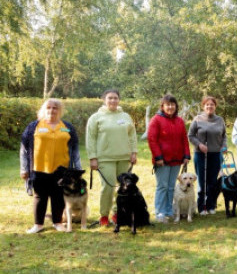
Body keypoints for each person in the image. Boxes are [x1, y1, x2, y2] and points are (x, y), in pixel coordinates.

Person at [20, 99, 81, 233]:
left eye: (55, 108)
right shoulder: (33, 126)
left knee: (58, 196)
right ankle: (38, 224)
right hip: (39, 167)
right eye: (49, 107)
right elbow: (24, 148)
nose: (52, 110)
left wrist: (77, 167)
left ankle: (58, 222)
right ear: (43, 109)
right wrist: (24, 168)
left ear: (59, 110)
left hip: (62, 170)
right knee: (39, 196)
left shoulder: (67, 127)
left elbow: (75, 148)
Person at [86, 90, 138, 226]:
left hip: (124, 157)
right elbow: (90, 138)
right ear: (104, 99)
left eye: (115, 98)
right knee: (107, 188)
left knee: (124, 187)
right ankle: (104, 216)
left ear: (119, 100)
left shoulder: (125, 116)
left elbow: (132, 136)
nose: (113, 101)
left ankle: (117, 213)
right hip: (105, 158)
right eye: (110, 98)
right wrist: (92, 158)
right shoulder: (96, 117)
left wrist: (134, 152)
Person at [147, 95, 190, 223]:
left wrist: (186, 155)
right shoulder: (156, 120)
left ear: (176, 106)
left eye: (172, 104)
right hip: (162, 161)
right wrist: (158, 157)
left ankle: (169, 210)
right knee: (162, 186)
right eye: (167, 104)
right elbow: (152, 140)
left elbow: (184, 139)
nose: (170, 107)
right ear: (163, 106)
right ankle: (159, 212)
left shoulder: (179, 121)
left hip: (176, 160)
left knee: (171, 186)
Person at [188, 96, 228, 215]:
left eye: (212, 104)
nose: (209, 106)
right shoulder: (198, 119)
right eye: (207, 104)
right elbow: (190, 135)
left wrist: (224, 146)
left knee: (212, 181)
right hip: (201, 154)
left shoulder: (220, 120)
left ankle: (211, 205)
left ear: (215, 106)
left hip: (216, 154)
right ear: (203, 106)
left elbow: (224, 136)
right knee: (202, 181)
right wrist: (199, 144)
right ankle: (201, 207)